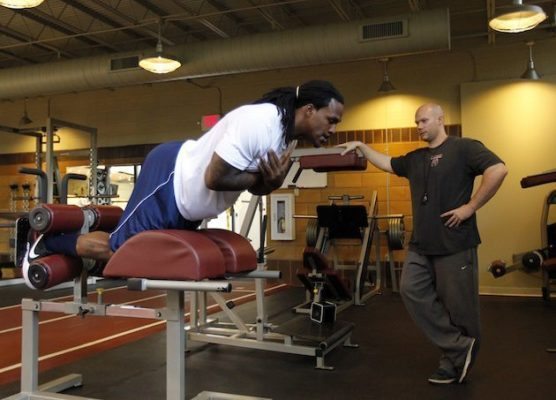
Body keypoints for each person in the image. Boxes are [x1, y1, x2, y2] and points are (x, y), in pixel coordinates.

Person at [23, 80, 345, 287]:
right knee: (120, 250)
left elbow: (257, 187)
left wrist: (270, 183)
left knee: (133, 254)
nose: (333, 129)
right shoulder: (260, 122)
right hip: (170, 179)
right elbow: (215, 177)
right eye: (331, 120)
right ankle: (47, 242)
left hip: (188, 206)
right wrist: (263, 178)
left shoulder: (283, 138)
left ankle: (74, 249)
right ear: (308, 110)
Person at [337, 103, 507, 385]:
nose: (419, 126)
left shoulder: (464, 148)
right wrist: (362, 146)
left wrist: (470, 207)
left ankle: (454, 361)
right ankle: (458, 347)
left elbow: (498, 169)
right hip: (421, 244)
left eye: (424, 120)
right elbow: (388, 163)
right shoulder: (416, 159)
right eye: (416, 122)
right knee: (410, 289)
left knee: (460, 308)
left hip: (454, 243)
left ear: (441, 119)